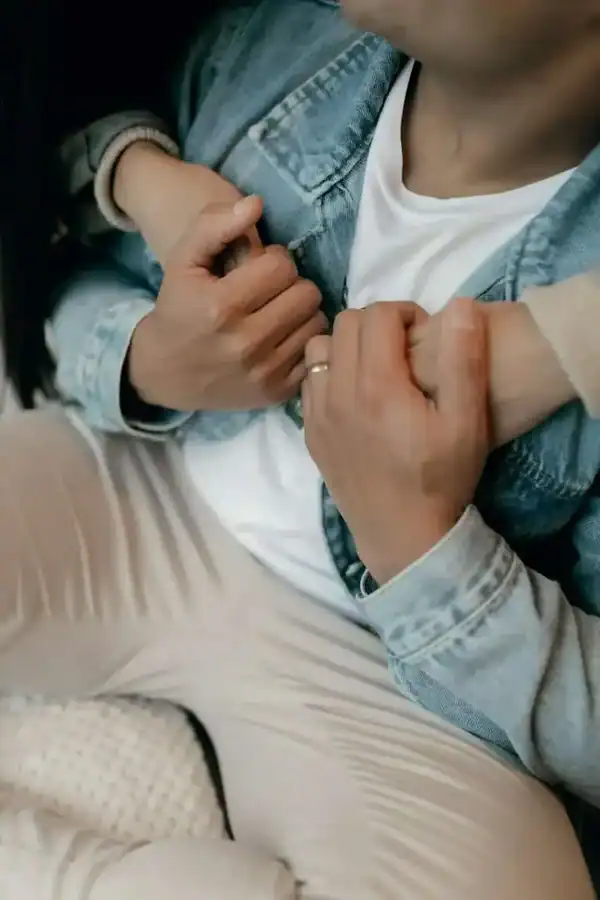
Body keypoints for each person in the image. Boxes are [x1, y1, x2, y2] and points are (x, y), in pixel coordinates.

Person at [3, 0, 600, 897]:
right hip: (148, 496)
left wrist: (423, 547)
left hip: (391, 683)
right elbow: (64, 282)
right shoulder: (276, 48)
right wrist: (147, 360)